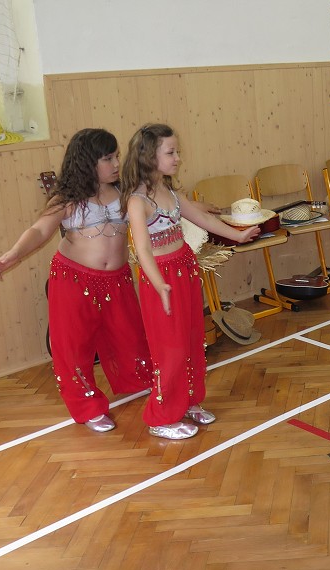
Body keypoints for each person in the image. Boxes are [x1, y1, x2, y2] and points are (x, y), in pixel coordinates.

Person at [0, 128, 153, 433]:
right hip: (74, 279)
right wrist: (12, 254)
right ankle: (87, 405)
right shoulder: (67, 198)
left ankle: (138, 380)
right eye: (108, 158)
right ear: (88, 162)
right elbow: (39, 231)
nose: (116, 163)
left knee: (130, 334)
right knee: (74, 346)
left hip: (116, 280)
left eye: (117, 156)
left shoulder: (124, 192)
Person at [121, 123, 260, 440]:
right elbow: (142, 250)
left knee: (192, 340)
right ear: (148, 157)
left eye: (177, 151)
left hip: (183, 268)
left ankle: (188, 401)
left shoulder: (170, 193)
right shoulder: (137, 201)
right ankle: (161, 415)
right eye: (170, 152)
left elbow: (205, 220)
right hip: (162, 278)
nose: (178, 158)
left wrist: (238, 234)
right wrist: (159, 286)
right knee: (169, 348)